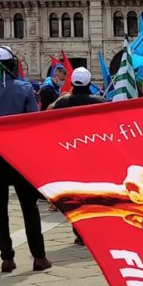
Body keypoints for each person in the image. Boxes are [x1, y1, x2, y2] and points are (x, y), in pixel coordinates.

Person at [0, 47, 52, 272]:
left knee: (0, 209)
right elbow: (33, 122)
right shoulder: (24, 88)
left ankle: (6, 258)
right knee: (29, 207)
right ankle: (39, 256)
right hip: (17, 155)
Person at [52, 67, 107, 246]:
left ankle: (79, 231)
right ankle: (97, 228)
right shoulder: (99, 102)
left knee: (75, 196)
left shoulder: (61, 103)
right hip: (95, 154)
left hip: (71, 153)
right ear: (89, 83)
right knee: (96, 193)